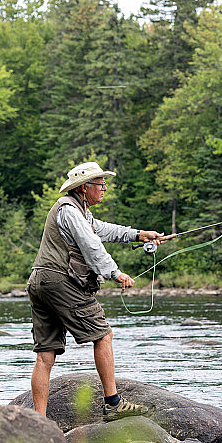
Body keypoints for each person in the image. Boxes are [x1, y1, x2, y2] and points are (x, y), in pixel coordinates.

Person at [27, 161, 164, 421]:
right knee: (103, 335)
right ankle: (113, 403)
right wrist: (115, 273)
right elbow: (92, 245)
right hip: (59, 280)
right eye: (100, 184)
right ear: (83, 188)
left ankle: (38, 422)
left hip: (40, 281)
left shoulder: (79, 212)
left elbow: (101, 230)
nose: (104, 188)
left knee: (45, 355)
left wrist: (139, 235)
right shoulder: (69, 210)